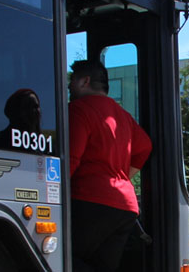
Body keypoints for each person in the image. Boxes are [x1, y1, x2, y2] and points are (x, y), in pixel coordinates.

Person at [68, 60, 152, 271]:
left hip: (90, 200)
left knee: (60, 258)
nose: (68, 86)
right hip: (125, 207)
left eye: (72, 80)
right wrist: (122, 176)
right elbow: (145, 146)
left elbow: (70, 159)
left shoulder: (78, 110)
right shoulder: (123, 115)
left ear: (84, 81)